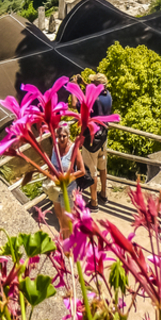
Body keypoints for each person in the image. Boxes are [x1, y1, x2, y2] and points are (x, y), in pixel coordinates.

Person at [43, 122, 87, 233]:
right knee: (59, 215)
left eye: (64, 136)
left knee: (67, 217)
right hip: (56, 187)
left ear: (68, 135)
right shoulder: (55, 147)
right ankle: (63, 234)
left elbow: (82, 171)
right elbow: (52, 164)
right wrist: (50, 173)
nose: (61, 139)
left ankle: (70, 236)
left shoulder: (74, 149)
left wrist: (68, 176)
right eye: (59, 136)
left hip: (69, 187)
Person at [82, 71, 113, 208]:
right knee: (102, 167)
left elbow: (76, 104)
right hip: (103, 137)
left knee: (91, 170)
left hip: (91, 139)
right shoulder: (108, 95)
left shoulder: (93, 100)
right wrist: (84, 83)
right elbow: (95, 92)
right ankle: (103, 194)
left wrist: (75, 86)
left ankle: (93, 202)